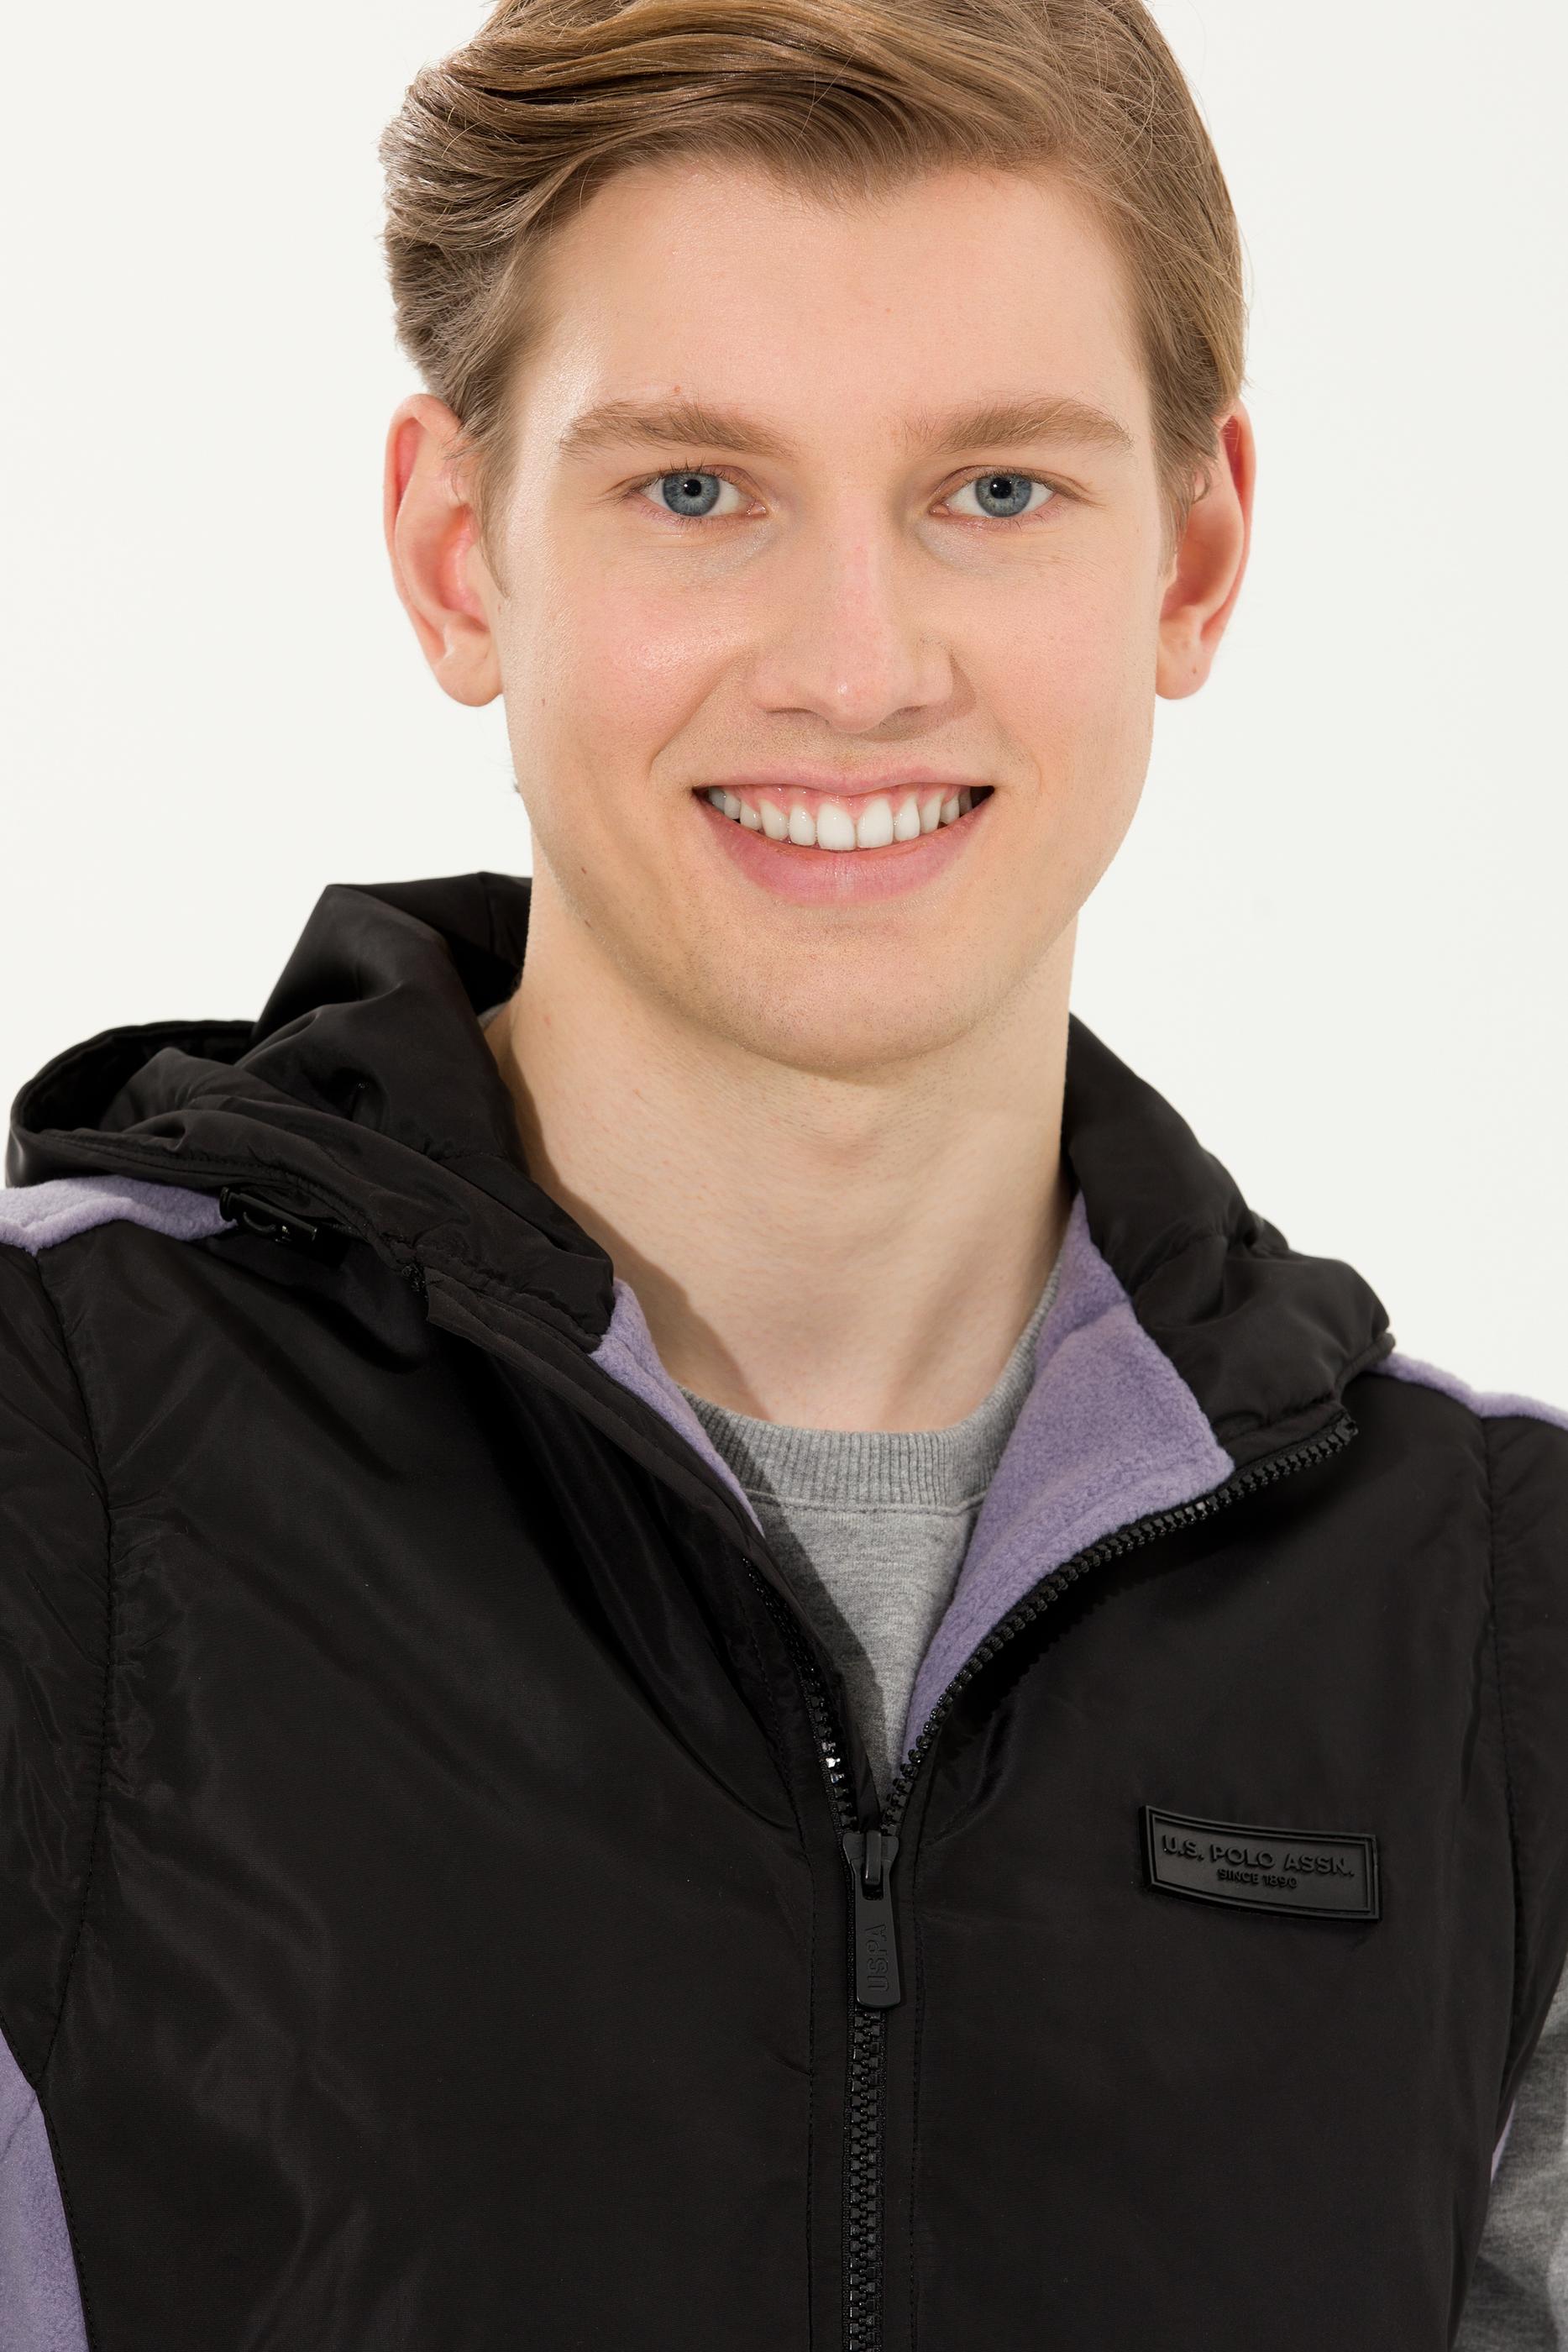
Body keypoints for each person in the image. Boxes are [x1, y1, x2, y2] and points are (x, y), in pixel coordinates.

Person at [1, 0, 1564, 2342]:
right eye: (695, 490)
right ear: (455, 552)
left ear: (1196, 554)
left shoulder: (1497, 1620)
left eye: (995, 492)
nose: (854, 666)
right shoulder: (53, 1456)